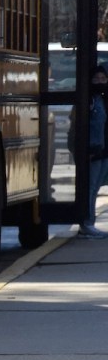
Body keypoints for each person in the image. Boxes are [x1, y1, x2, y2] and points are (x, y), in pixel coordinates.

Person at [84, 66, 108, 238]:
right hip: (94, 150)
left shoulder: (102, 99)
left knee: (96, 187)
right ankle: (87, 223)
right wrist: (90, 148)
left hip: (103, 150)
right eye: (96, 78)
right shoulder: (90, 100)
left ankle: (89, 222)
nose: (100, 82)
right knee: (90, 188)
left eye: (103, 78)